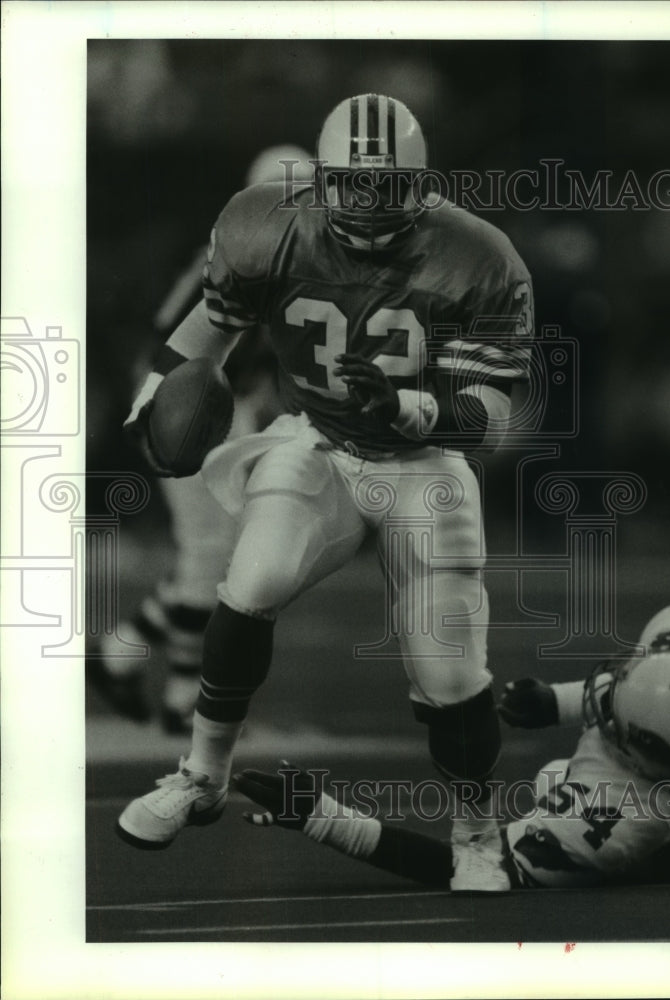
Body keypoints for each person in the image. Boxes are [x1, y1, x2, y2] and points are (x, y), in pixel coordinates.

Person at [115, 94, 535, 891]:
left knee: (448, 670)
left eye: (388, 187)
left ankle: (476, 834)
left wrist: (407, 406)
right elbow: (214, 324)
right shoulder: (266, 223)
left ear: (421, 186)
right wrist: (152, 396)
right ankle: (199, 777)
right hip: (318, 440)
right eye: (353, 184)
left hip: (424, 461)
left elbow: (491, 416)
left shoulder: (477, 256)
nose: (370, 205)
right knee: (252, 578)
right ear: (320, 181)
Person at [234, 604, 670, 889]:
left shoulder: (611, 825)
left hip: (666, 853)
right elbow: (648, 702)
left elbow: (469, 866)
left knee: (550, 776)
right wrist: (556, 702)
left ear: (639, 752)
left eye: (616, 706)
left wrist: (323, 818)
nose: (608, 689)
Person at [88, 146, 311, 733]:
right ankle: (178, 691)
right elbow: (177, 337)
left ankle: (123, 654)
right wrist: (167, 404)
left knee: (213, 556)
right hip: (194, 406)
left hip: (211, 405)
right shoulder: (243, 254)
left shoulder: (263, 252)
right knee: (211, 557)